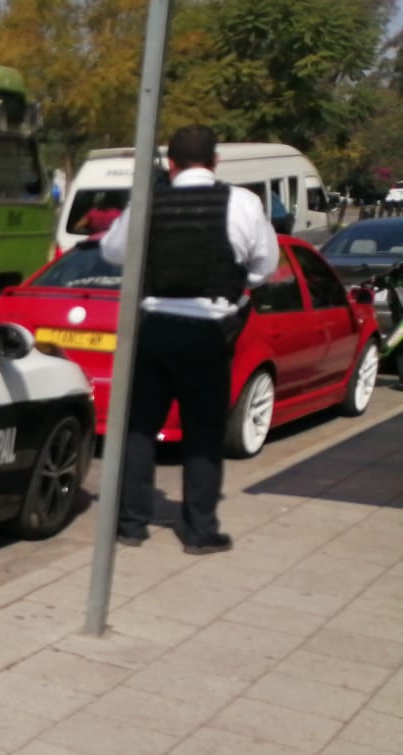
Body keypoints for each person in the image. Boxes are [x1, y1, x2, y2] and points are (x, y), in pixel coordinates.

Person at [99, 124, 278, 554]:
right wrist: (234, 280)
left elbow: (112, 252)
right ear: (216, 162)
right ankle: (199, 531)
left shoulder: (148, 202)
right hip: (209, 330)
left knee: (141, 427)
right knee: (203, 430)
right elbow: (265, 265)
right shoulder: (243, 203)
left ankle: (131, 524)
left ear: (171, 164)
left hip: (156, 325)